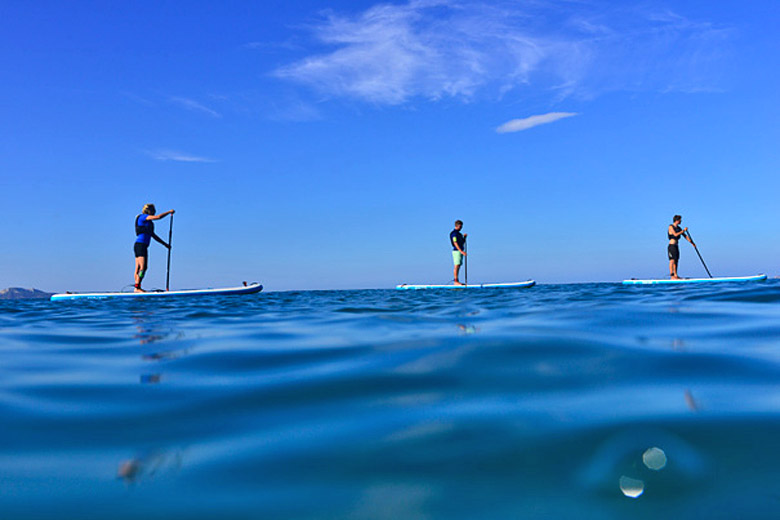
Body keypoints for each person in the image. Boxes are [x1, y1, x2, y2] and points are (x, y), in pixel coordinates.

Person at [134, 204, 174, 292]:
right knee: (143, 267)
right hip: (140, 245)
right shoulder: (142, 217)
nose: (155, 211)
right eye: (153, 210)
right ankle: (137, 288)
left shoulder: (150, 224)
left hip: (143, 245)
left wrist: (165, 244)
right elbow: (158, 217)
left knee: (139, 267)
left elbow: (154, 236)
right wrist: (169, 212)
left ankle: (136, 287)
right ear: (149, 210)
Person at [668, 214, 694, 279]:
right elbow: (675, 234)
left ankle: (676, 275)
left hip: (676, 246)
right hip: (671, 246)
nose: (681, 221)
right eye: (680, 220)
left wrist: (692, 243)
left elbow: (685, 236)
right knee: (672, 260)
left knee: (676, 260)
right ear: (677, 220)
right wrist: (683, 230)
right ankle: (672, 276)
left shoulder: (679, 228)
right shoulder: (671, 227)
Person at [450, 220, 467, 285]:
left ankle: (457, 280)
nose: (461, 228)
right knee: (456, 265)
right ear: (457, 226)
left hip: (460, 250)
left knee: (459, 265)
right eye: (460, 226)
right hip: (456, 251)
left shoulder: (459, 234)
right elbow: (455, 243)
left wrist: (464, 238)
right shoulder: (454, 233)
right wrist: (461, 251)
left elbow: (462, 243)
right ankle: (456, 281)